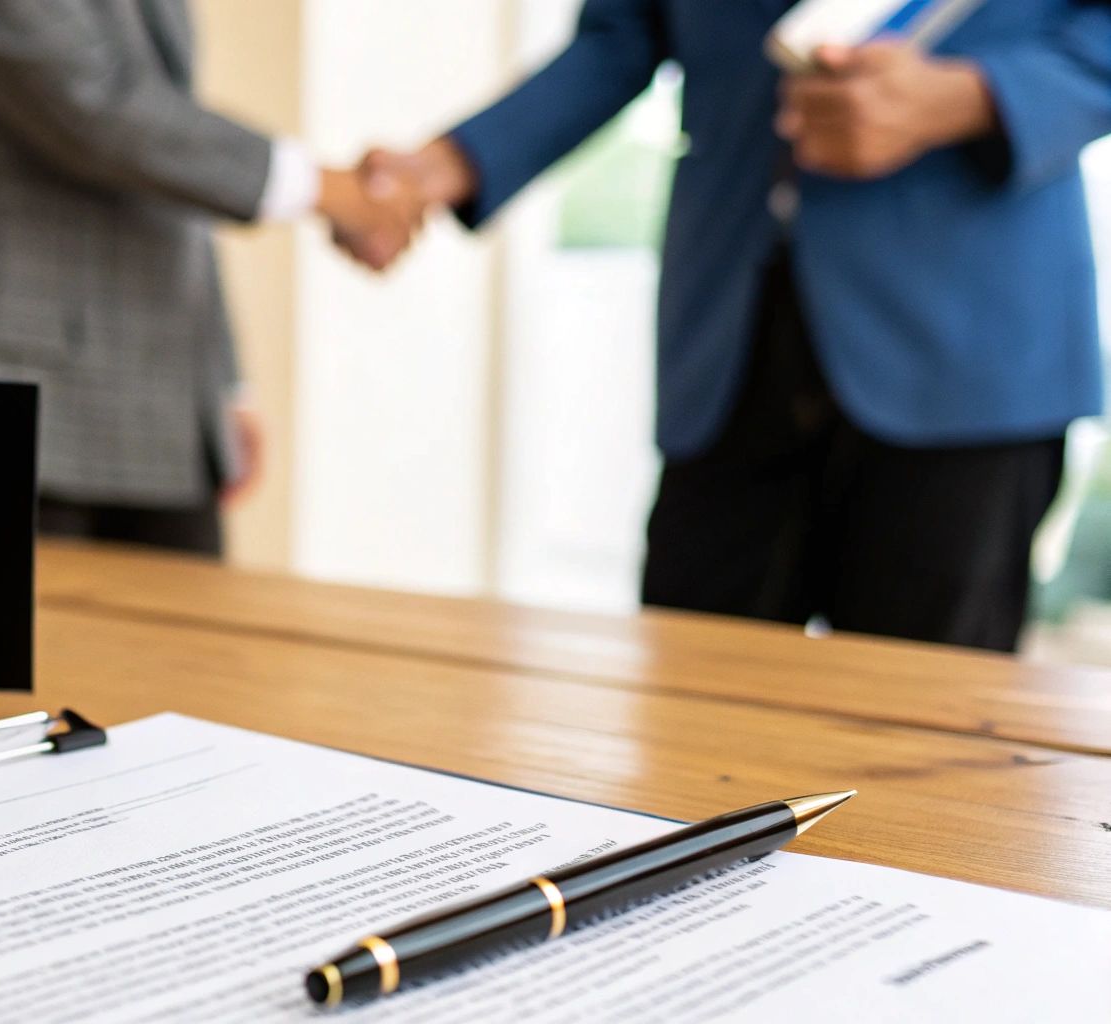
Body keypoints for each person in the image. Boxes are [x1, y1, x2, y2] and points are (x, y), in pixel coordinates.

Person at [364, 2, 1111, 651]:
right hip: (729, 337)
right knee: (688, 736)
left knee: (928, 755)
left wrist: (971, 96)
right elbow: (622, 33)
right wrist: (445, 166)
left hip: (969, 341)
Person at [0, 0, 417, 557]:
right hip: (32, 385)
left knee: (199, 641)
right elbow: (97, 111)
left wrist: (220, 377)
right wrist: (334, 192)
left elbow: (167, 167)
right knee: (36, 639)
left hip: (170, 402)